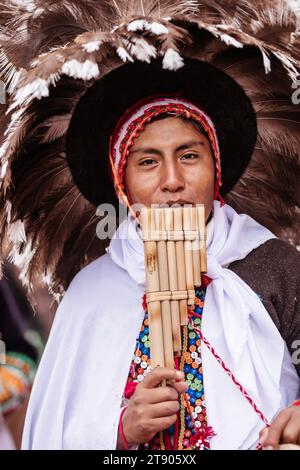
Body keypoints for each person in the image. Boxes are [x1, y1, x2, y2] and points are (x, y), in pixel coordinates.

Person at [0, 0, 299, 450]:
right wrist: (121, 432)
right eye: (148, 162)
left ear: (216, 170)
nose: (173, 182)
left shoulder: (277, 267)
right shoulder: (92, 293)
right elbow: (51, 435)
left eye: (189, 156)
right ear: (124, 184)